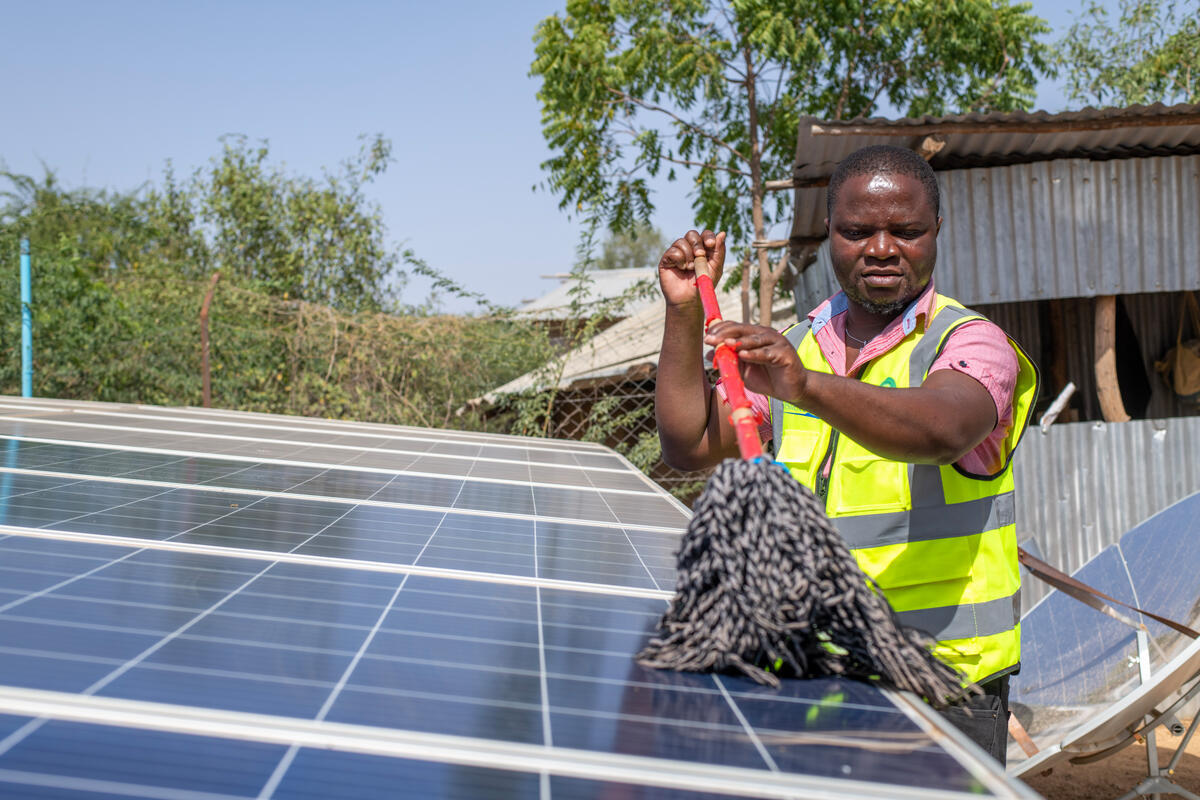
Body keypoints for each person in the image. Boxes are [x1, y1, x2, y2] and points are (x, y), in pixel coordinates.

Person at [654, 145, 1039, 764]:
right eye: (857, 231)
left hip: (940, 693)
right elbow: (691, 443)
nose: (882, 248)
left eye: (905, 230)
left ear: (936, 230)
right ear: (828, 234)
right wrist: (682, 311)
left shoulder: (971, 343)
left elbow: (943, 429)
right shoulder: (799, 344)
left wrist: (806, 385)